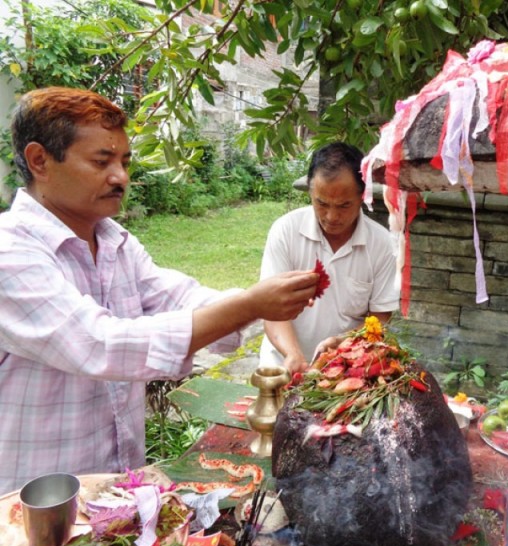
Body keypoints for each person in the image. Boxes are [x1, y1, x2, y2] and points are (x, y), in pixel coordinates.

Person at [0, 87, 320, 493]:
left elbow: (179, 297)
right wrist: (249, 303)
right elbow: (98, 344)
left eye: (124, 161)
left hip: (119, 492)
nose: (120, 176)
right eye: (102, 161)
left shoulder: (116, 244)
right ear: (40, 161)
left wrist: (262, 300)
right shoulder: (9, 252)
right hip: (33, 507)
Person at [259, 142, 399, 374]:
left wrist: (344, 344)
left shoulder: (382, 244)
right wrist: (293, 355)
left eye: (344, 205)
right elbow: (270, 307)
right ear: (310, 192)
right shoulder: (285, 231)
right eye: (321, 203)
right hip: (282, 367)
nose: (332, 216)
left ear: (362, 195)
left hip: (345, 369)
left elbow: (380, 318)